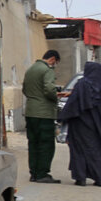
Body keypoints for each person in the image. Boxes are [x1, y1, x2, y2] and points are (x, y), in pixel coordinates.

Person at [57, 61, 101, 187]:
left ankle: (80, 177)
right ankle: (99, 177)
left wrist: (62, 118)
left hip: (79, 123)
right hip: (96, 124)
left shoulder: (82, 84)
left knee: (78, 149)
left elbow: (75, 104)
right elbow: (92, 98)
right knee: (95, 149)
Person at [22, 50, 61, 183]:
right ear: (53, 59)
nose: (55, 65)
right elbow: (49, 89)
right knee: (46, 144)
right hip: (44, 114)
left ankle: (34, 173)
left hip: (30, 112)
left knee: (33, 143)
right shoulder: (47, 70)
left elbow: (25, 89)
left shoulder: (30, 69)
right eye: (56, 62)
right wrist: (56, 97)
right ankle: (42, 173)